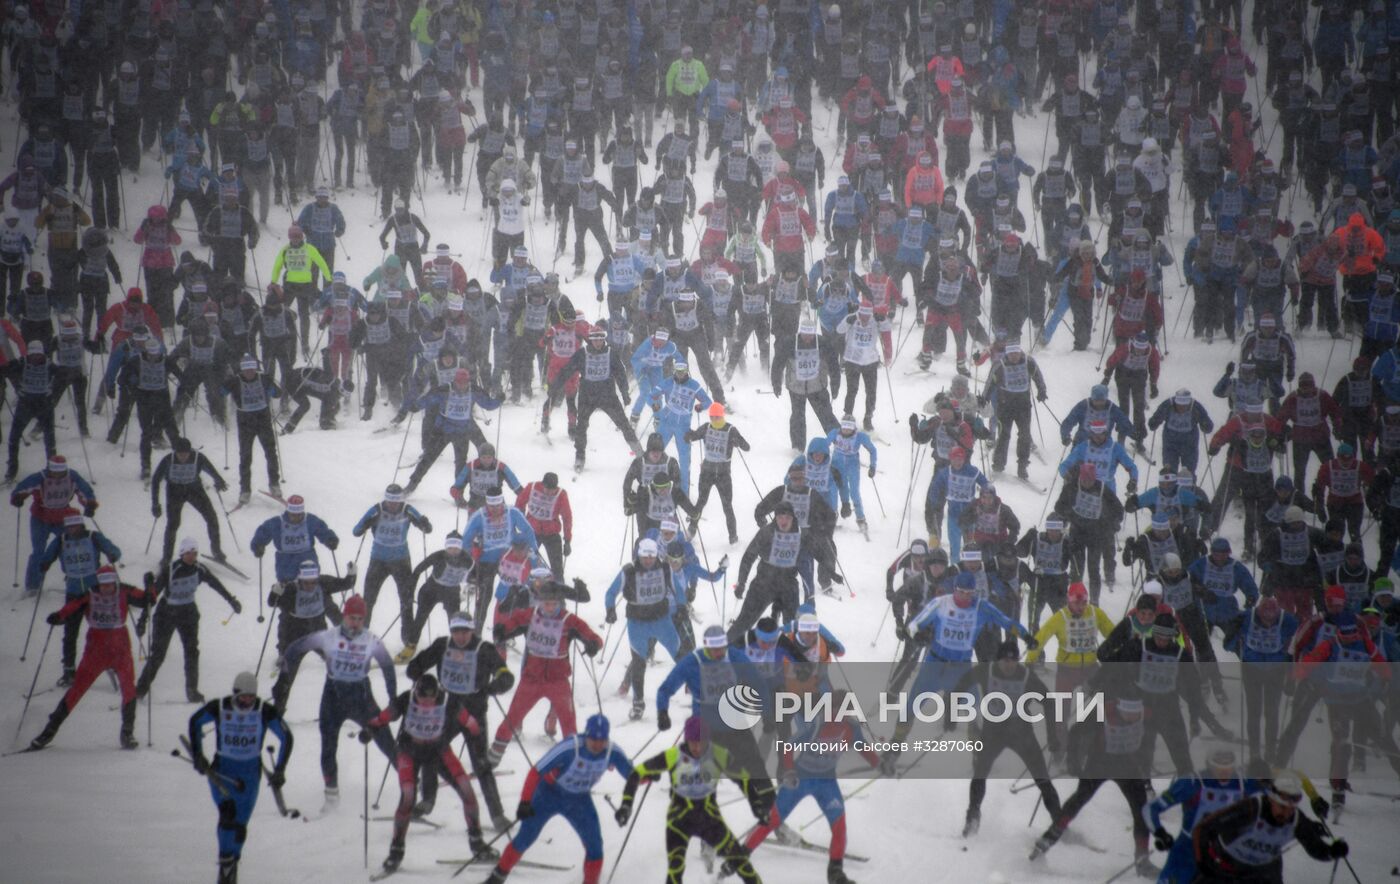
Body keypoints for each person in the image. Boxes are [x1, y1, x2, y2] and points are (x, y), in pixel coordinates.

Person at [359, 674, 496, 874]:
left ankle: (477, 843)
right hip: (409, 752)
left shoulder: (449, 702)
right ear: (416, 693)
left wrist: (478, 746)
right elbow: (384, 717)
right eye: (422, 700)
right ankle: (396, 852)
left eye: (430, 702)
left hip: (438, 751)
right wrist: (370, 729)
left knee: (467, 792)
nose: (426, 705)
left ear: (437, 695)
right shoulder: (407, 699)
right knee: (407, 797)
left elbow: (471, 723)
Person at [480, 714, 633, 884]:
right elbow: (536, 771)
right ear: (586, 735)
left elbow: (634, 776)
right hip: (548, 794)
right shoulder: (570, 747)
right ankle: (496, 878)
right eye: (593, 740)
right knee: (526, 836)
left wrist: (651, 771)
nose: (598, 745)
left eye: (602, 740)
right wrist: (525, 801)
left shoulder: (612, 752)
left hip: (579, 800)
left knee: (595, 846)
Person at [279, 594, 398, 807]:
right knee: (328, 745)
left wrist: (393, 699)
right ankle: (331, 794)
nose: (356, 624)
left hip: (361, 695)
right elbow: (295, 648)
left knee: (385, 739)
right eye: (352, 618)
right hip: (333, 695)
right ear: (344, 616)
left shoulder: (371, 640)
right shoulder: (328, 636)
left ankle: (409, 778)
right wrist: (285, 672)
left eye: (360, 619)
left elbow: (388, 666)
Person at [620, 715, 770, 883]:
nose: (697, 747)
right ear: (686, 740)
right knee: (675, 870)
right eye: (693, 742)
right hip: (679, 821)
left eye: (701, 742)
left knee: (740, 862)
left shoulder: (718, 754)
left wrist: (758, 806)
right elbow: (636, 774)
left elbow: (744, 779)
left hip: (709, 820)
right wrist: (626, 805)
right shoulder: (673, 756)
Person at [405, 612, 514, 829]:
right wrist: (418, 674)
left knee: (480, 763)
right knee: (431, 753)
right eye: (456, 631)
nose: (460, 637)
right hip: (447, 709)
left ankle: (497, 815)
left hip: (474, 712)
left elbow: (506, 675)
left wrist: (495, 686)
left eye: (465, 632)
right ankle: (426, 802)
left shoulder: (484, 649)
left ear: (472, 630)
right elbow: (416, 665)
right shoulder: (442, 645)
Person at [186, 672, 293, 884]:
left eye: (251, 698)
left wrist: (280, 769)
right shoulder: (220, 707)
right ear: (235, 694)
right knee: (227, 814)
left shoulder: (264, 711)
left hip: (250, 774)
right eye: (243, 697)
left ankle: (232, 863)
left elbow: (286, 737)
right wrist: (198, 754)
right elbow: (195, 721)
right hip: (223, 770)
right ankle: (225, 863)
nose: (247, 702)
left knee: (240, 826)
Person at [30, 566, 150, 751]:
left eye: (110, 584)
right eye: (103, 584)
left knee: (128, 687)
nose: (107, 588)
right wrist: (59, 616)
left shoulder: (124, 590)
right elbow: (73, 606)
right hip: (96, 649)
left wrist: (150, 586)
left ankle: (127, 732)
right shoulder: (90, 594)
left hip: (120, 648)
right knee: (77, 689)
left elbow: (148, 600)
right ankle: (49, 730)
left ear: (115, 582)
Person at [488, 580, 602, 763]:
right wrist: (502, 630)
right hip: (531, 680)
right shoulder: (530, 615)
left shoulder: (568, 620)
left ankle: (572, 761)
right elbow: (513, 623)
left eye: (553, 604)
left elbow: (589, 634)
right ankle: (494, 755)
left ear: (559, 603)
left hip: (558, 681)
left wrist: (593, 644)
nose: (549, 607)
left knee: (568, 723)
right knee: (513, 717)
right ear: (539, 602)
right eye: (545, 603)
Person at [134, 538, 242, 703]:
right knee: (158, 655)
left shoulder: (199, 569)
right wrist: (143, 620)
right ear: (182, 554)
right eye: (188, 553)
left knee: (192, 652)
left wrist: (231, 600)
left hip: (188, 612)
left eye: (194, 553)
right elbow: (153, 595)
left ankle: (192, 691)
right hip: (166, 613)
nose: (192, 557)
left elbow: (216, 584)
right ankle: (139, 691)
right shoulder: (172, 569)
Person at [1191, 774, 1348, 882]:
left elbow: (1316, 849)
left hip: (1263, 872)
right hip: (1226, 866)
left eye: (1291, 808)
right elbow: (1203, 829)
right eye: (1281, 806)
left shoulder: (1296, 819)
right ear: (1271, 798)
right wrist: (1203, 863)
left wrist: (1332, 852)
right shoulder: (1251, 809)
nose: (1285, 813)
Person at [1144, 748, 1263, 884]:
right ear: (1209, 765)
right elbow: (1150, 809)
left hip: (1227, 853)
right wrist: (1160, 833)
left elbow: (1273, 805)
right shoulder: (1192, 783)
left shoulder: (1245, 784)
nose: (1224, 772)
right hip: (1188, 851)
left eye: (1228, 767)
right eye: (1218, 767)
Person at [604, 538, 687, 721]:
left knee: (679, 655)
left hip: (661, 620)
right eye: (644, 557)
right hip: (637, 623)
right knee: (639, 662)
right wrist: (610, 610)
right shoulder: (629, 571)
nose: (648, 561)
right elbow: (611, 592)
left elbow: (679, 591)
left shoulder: (665, 569)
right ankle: (638, 703)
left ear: (656, 555)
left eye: (651, 557)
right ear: (639, 555)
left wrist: (681, 607)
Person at [351, 483, 433, 659]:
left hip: (401, 561)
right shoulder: (377, 510)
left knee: (406, 600)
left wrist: (424, 524)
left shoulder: (408, 510)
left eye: (396, 501)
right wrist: (366, 523)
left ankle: (408, 641)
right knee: (368, 601)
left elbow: (427, 529)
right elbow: (356, 531)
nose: (393, 505)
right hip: (378, 561)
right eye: (390, 501)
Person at [10, 454, 97, 597]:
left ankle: (73, 580)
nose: (57, 476)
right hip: (40, 518)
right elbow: (22, 488)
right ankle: (33, 586)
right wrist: (17, 498)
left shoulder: (72, 477)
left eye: (60, 472)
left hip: (62, 519)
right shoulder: (40, 478)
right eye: (54, 472)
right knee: (39, 552)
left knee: (69, 549)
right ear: (49, 469)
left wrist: (90, 504)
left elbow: (85, 490)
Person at [150, 437, 229, 567]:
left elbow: (210, 469)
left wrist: (219, 480)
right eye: (179, 454)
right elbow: (155, 480)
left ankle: (217, 551)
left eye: (185, 454)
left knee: (212, 518)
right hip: (174, 492)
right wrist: (155, 503)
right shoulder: (168, 460)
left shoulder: (198, 458)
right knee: (173, 525)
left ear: (190, 451)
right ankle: (166, 557)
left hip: (195, 491)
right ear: (175, 452)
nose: (182, 457)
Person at [220, 356, 282, 505]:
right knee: (245, 456)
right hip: (245, 420)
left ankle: (274, 484)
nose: (249, 373)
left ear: (255, 368)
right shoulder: (235, 381)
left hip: (263, 418)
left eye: (252, 369)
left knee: (270, 452)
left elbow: (278, 393)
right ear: (242, 370)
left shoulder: (264, 378)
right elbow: (220, 392)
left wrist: (272, 389)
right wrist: (223, 385)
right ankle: (245, 490)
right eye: (246, 370)